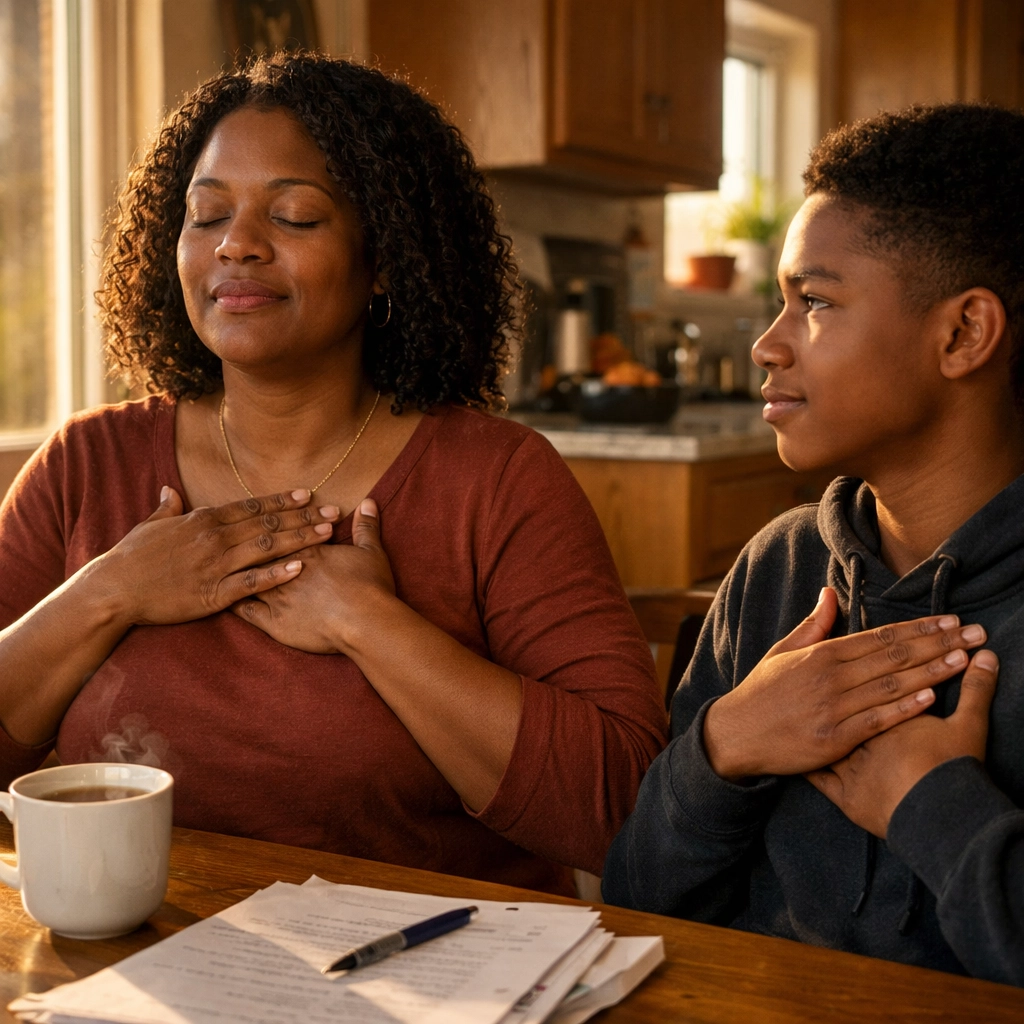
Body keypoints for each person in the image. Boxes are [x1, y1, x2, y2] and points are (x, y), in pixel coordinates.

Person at [0, 52, 666, 896]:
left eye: (296, 217)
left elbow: (621, 812)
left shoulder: (496, 480)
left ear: (384, 257)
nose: (236, 245)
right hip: (141, 969)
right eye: (206, 217)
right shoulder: (85, 464)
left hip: (428, 973)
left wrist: (368, 624)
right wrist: (112, 590)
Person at [602, 104, 1024, 985]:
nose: (767, 344)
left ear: (963, 334)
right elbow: (633, 904)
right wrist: (724, 746)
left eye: (816, 303)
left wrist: (931, 806)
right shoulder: (778, 569)